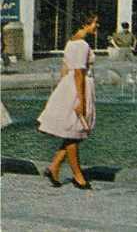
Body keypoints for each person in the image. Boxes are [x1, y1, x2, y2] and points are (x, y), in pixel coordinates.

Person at [38, 14, 99, 189]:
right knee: (75, 132)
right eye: (95, 22)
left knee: (74, 132)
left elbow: (65, 69)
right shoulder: (82, 44)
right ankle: (78, 175)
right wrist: (81, 99)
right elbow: (79, 72)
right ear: (86, 24)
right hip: (78, 88)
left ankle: (54, 166)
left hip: (68, 86)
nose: (97, 26)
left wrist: (62, 92)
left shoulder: (71, 42)